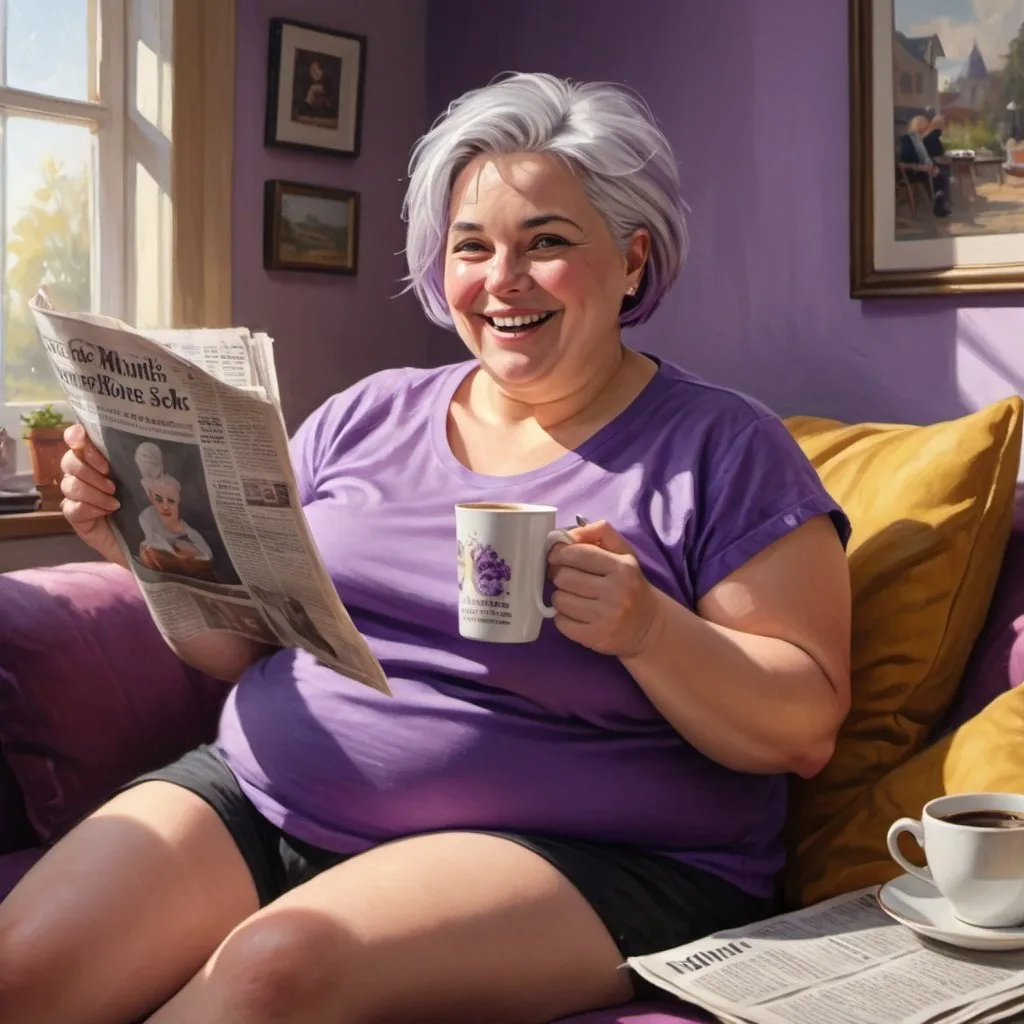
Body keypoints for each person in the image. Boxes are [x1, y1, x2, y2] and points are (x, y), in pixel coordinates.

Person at [0, 72, 852, 1024]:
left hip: (581, 853)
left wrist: (648, 627)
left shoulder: (725, 448)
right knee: (21, 969)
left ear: (632, 258)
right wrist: (141, 547)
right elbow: (236, 650)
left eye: (548, 244)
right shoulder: (365, 415)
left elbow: (804, 725)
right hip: (264, 789)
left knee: (273, 971)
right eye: (472, 247)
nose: (502, 280)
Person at [133, 441, 215, 578]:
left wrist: (186, 554)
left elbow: (206, 557)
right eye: (158, 499)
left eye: (171, 501)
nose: (165, 506)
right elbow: (150, 545)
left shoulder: (187, 530)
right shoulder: (147, 516)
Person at [899, 113, 951, 217]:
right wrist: (922, 167)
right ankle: (939, 202)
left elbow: (925, 157)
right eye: (924, 126)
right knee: (941, 175)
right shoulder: (907, 140)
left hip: (924, 169)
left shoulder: (919, 140)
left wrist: (931, 165)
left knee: (941, 172)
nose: (926, 129)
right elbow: (903, 163)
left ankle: (939, 200)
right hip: (913, 172)